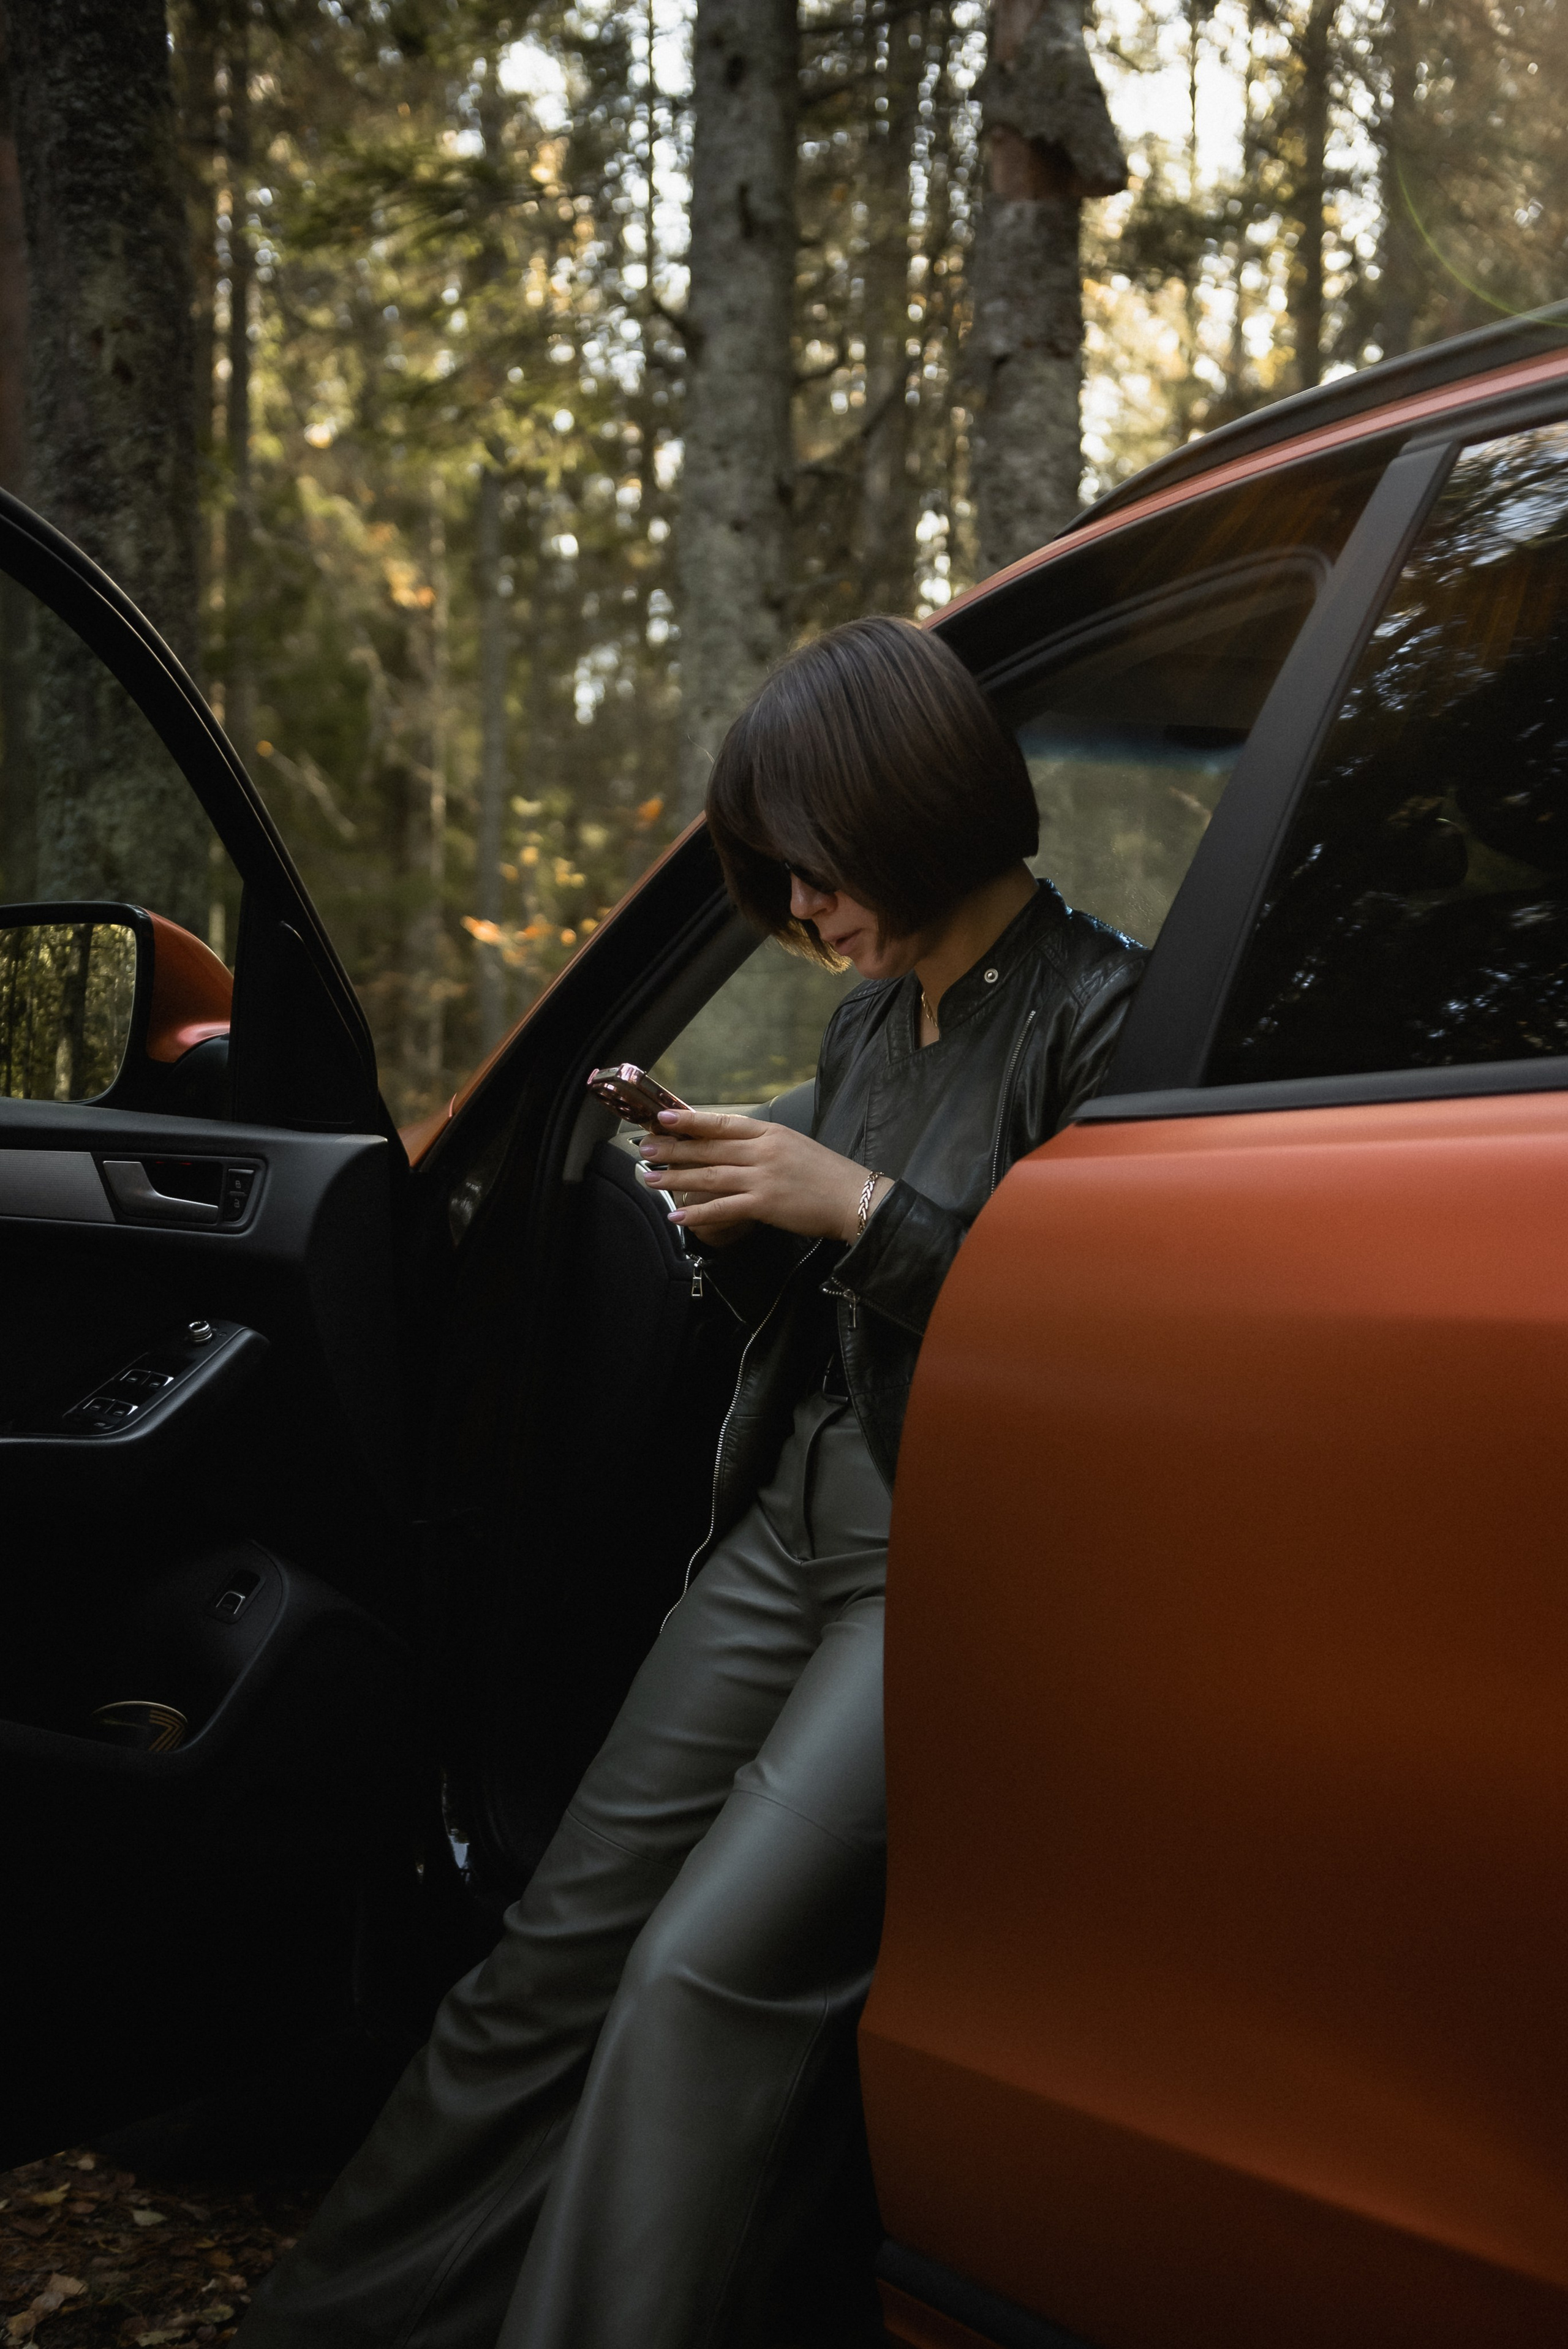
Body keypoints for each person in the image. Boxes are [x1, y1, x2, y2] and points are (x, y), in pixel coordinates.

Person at [238, 616, 1145, 2349]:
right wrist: (740, 1215)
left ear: (912, 804)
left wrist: (850, 1205)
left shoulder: (1112, 1014)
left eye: (817, 867)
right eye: (777, 878)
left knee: (697, 1982)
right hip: (784, 1523)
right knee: (555, 1951)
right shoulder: (875, 1024)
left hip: (942, 1557)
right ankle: (327, 2324)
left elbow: (1106, 1352)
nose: (801, 910)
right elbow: (832, 1320)